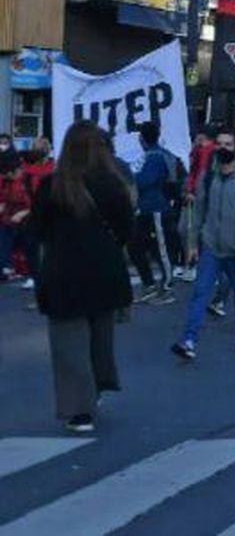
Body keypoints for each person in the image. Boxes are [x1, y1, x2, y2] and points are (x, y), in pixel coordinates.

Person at [30, 121, 136, 432]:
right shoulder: (113, 183)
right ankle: (99, 386)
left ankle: (80, 410)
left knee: (69, 344)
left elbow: (37, 230)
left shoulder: (54, 186)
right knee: (100, 339)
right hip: (105, 271)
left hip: (64, 273)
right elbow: (126, 228)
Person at [171, 129, 235, 360]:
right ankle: (189, 340)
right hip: (211, 246)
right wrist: (193, 244)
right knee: (200, 294)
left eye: (228, 144)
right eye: (220, 144)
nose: (223, 148)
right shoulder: (208, 176)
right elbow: (199, 211)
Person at [126, 122, 179, 304]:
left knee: (161, 249)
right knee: (135, 246)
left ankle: (167, 289)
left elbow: (146, 180)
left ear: (142, 138)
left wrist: (130, 178)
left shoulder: (156, 157)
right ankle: (148, 284)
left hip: (156, 208)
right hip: (143, 209)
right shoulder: (148, 156)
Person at [0, 150, 32, 282]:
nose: (3, 176)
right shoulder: (7, 181)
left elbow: (37, 205)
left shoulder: (28, 180)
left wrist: (22, 213)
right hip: (9, 220)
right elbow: (4, 200)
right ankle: (6, 267)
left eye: (5, 173)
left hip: (27, 221)